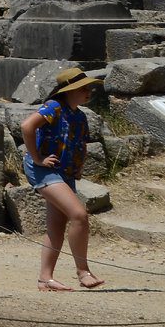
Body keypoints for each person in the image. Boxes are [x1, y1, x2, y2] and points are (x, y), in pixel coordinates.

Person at [20, 68, 105, 291]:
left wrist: (78, 169)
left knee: (56, 226)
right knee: (79, 215)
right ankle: (83, 271)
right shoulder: (54, 107)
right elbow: (27, 126)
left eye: (89, 88)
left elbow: (80, 145)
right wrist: (37, 158)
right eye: (83, 88)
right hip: (44, 170)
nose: (89, 92)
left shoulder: (80, 115)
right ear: (69, 91)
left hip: (63, 172)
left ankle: (45, 279)